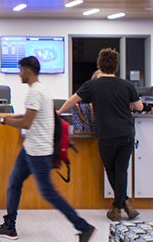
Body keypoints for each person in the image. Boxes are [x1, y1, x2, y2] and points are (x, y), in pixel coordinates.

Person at [0, 56, 95, 242]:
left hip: (38, 152)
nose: (19, 74)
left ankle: (83, 226)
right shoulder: (42, 90)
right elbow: (31, 117)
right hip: (31, 148)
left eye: (20, 70)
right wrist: (9, 116)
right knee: (14, 183)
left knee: (48, 192)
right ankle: (9, 226)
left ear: (28, 70)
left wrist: (3, 121)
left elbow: (26, 123)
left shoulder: (34, 93)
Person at [58, 48, 143, 221]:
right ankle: (124, 204)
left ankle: (118, 207)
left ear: (100, 65)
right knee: (121, 171)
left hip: (107, 135)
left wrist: (59, 111)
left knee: (111, 170)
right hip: (127, 133)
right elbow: (140, 107)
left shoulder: (92, 84)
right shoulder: (127, 84)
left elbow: (72, 100)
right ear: (116, 66)